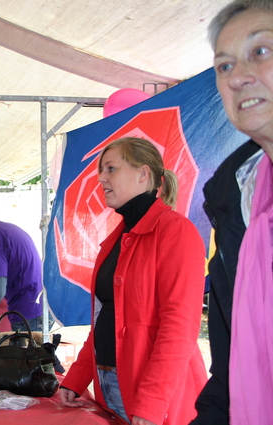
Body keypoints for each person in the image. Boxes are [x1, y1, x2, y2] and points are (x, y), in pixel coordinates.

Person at [59, 137, 207, 425]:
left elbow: (179, 328)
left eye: (111, 168)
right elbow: (106, 318)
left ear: (143, 174)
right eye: (101, 170)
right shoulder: (117, 239)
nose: (101, 178)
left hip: (154, 395)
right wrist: (77, 377)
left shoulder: (176, 232)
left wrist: (152, 403)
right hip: (110, 383)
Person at [191, 2, 273, 424]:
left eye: (261, 51)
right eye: (224, 66)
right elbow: (231, 353)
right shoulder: (233, 197)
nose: (238, 76)